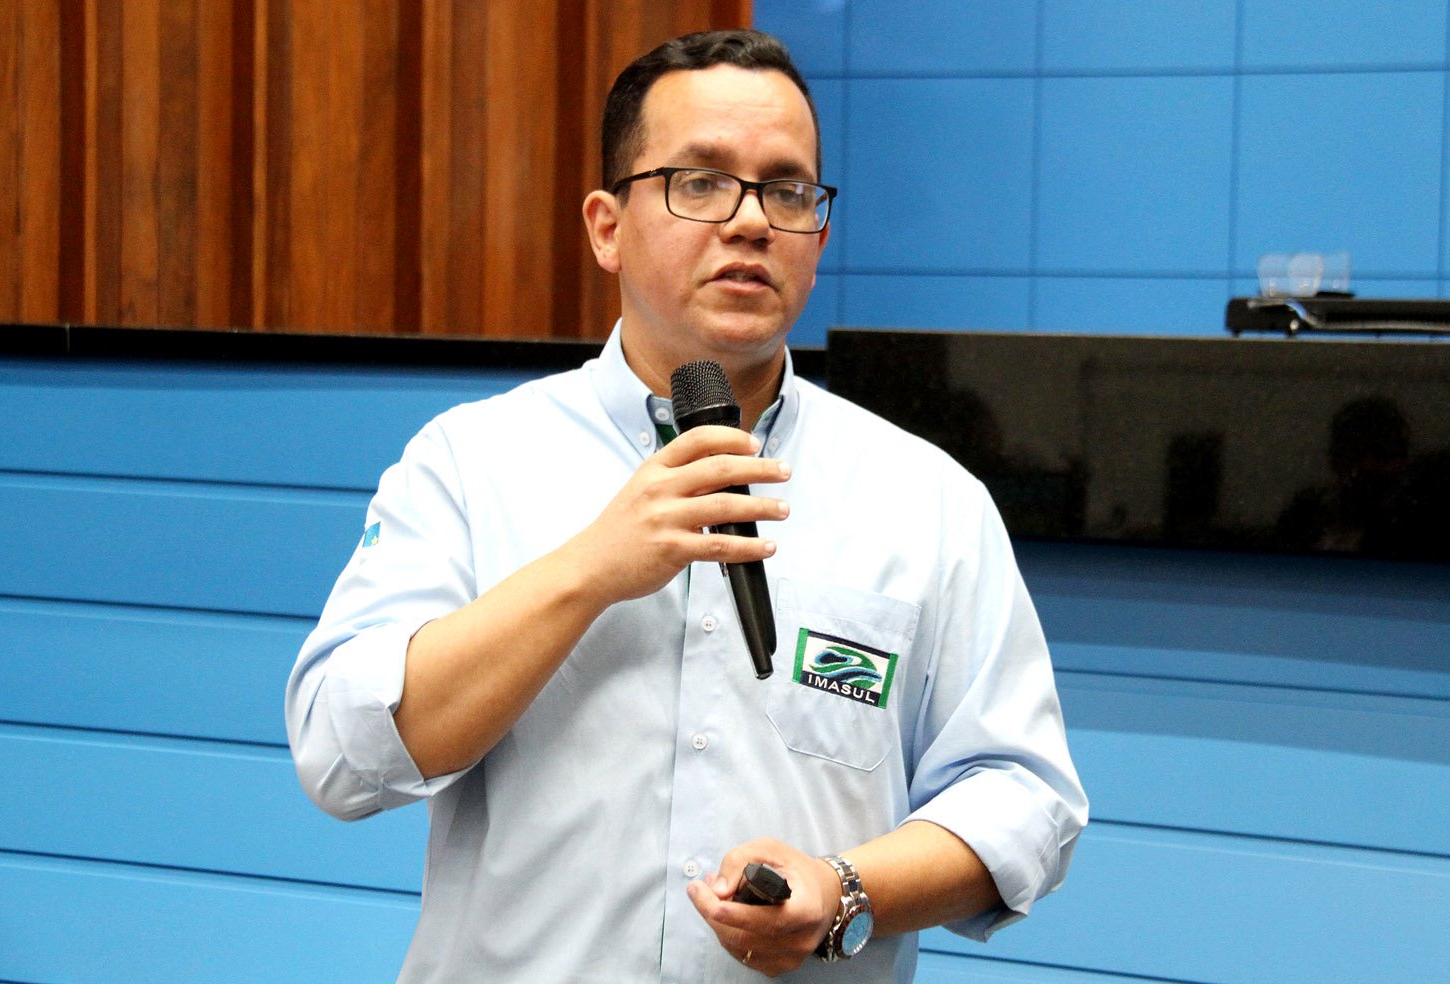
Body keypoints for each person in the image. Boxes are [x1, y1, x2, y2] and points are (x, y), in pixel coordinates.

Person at [286, 28, 1086, 983]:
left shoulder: (928, 500)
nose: (749, 222)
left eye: (786, 191)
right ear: (607, 227)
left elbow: (1023, 797)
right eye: (699, 182)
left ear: (819, 237)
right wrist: (588, 571)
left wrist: (845, 890)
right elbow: (340, 755)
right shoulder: (471, 463)